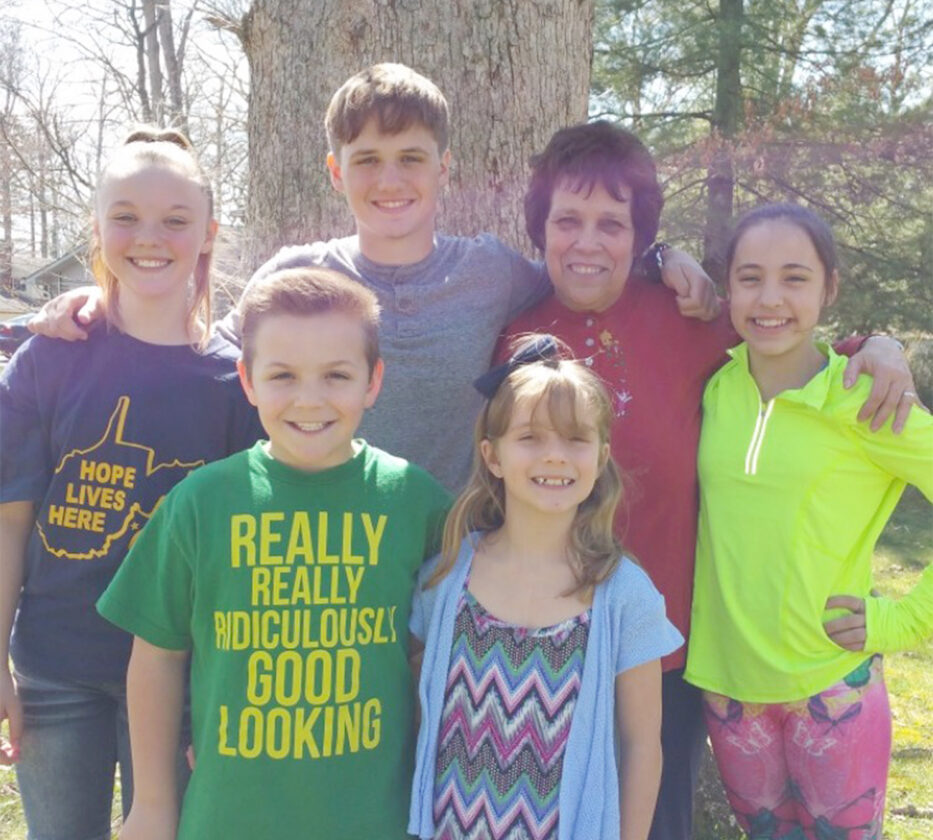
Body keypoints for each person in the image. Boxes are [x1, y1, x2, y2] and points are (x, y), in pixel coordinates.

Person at [500, 121, 920, 840]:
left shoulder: (689, 322)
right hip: (540, 642)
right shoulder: (513, 336)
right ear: (539, 229)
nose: (588, 241)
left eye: (613, 224)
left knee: (653, 822)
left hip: (668, 653)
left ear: (640, 238)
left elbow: (788, 345)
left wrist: (875, 347)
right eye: (567, 221)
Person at [28, 62, 718, 493]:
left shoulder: (492, 273)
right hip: (325, 563)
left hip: (458, 561)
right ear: (336, 172)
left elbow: (582, 270)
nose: (390, 180)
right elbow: (198, 350)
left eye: (411, 158)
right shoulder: (295, 276)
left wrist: (663, 259)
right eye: (366, 160)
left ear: (443, 169)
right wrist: (102, 298)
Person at [97, 266, 451, 839]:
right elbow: (157, 656)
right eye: (283, 375)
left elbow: (432, 659)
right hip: (229, 820)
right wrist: (154, 803)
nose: (309, 399)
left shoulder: (417, 501)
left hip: (377, 821)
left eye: (337, 375)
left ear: (373, 381)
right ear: (248, 380)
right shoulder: (200, 502)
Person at [0, 127, 262, 839]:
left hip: (184, 678)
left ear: (208, 234)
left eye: (176, 220)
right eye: (126, 217)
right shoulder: (48, 360)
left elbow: (243, 555)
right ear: (96, 229)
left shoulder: (237, 383)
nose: (150, 237)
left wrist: (231, 692)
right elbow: (11, 520)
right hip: (55, 668)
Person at [684, 203, 933, 840]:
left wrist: (904, 620)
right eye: (750, 278)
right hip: (729, 691)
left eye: (795, 278)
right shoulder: (716, 388)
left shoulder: (866, 398)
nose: (770, 299)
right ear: (729, 287)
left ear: (830, 288)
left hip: (832, 687)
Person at [409, 334, 684, 840]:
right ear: (492, 456)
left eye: (576, 438)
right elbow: (417, 718)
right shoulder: (445, 578)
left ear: (601, 457)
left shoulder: (624, 595)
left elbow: (643, 745)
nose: (555, 456)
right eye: (531, 437)